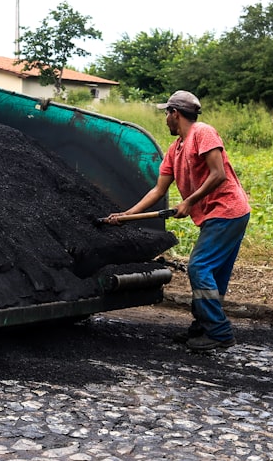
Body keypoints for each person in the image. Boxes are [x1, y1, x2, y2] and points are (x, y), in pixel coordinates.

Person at [105, 90, 250, 351]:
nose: (165, 120)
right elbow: (158, 190)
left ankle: (219, 332)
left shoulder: (202, 132)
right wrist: (128, 215)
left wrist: (189, 201)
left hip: (228, 210)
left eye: (166, 114)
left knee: (199, 267)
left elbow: (218, 175)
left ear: (176, 113)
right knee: (213, 273)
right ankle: (204, 326)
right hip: (214, 215)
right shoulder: (175, 149)